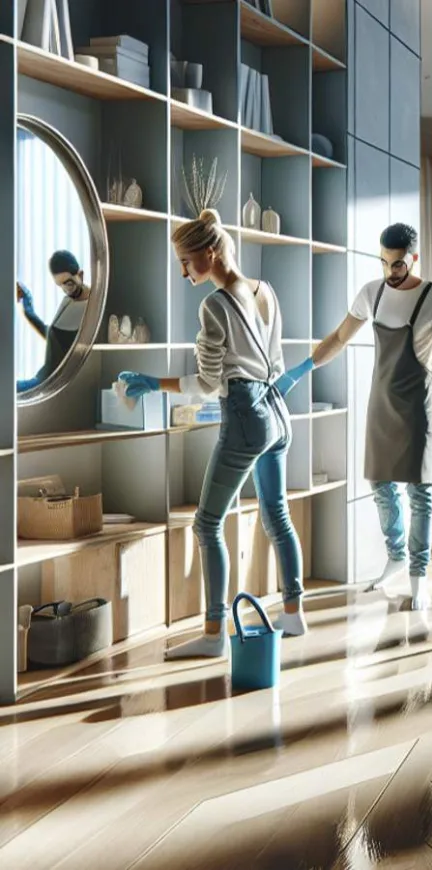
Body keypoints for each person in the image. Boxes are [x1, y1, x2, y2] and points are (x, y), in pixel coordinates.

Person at [117, 208, 307, 660]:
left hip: (244, 417)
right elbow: (274, 363)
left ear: (210, 252)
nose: (184, 273)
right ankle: (294, 612)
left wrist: (152, 383)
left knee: (207, 523)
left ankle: (213, 633)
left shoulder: (215, 305)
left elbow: (205, 383)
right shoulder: (266, 291)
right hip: (278, 414)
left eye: (186, 262)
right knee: (277, 514)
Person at [277, 222, 432, 610]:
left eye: (397, 264)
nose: (389, 271)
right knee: (380, 482)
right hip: (380, 403)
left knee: (420, 492)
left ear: (413, 258)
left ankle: (419, 578)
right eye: (383, 262)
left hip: (417, 407)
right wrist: (301, 370)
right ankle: (396, 554)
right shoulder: (372, 294)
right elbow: (339, 338)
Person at [16, 250, 90, 390]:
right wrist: (28, 306)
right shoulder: (68, 300)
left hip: (56, 384)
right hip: (44, 379)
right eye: (60, 285)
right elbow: (53, 337)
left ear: (80, 275)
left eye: (68, 283)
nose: (66, 290)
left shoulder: (92, 306)